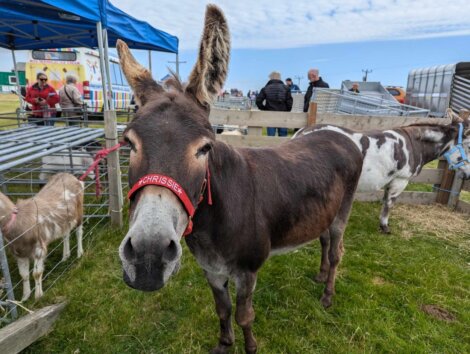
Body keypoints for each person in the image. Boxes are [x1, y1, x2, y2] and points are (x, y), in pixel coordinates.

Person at [256, 71, 293, 137]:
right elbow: (289, 102)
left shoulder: (265, 88)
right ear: (280, 78)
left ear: (270, 78)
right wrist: (287, 111)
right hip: (283, 115)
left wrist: (265, 109)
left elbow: (258, 101)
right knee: (283, 137)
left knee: (270, 136)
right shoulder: (286, 88)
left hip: (270, 114)